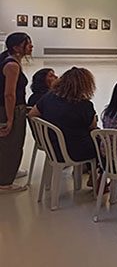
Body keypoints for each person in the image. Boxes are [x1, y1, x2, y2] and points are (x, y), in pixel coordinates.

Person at [29, 67, 98, 173]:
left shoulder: (48, 97)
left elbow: (32, 114)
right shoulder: (84, 105)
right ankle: (94, 174)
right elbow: (92, 127)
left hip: (52, 146)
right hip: (73, 150)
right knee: (101, 140)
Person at [0, 33, 33, 193]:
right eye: (27, 43)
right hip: (10, 109)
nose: (31, 46)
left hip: (8, 108)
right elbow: (9, 94)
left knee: (6, 144)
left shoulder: (7, 58)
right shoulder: (12, 65)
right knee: (12, 145)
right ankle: (5, 182)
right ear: (16, 47)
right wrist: (10, 119)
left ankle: (8, 171)